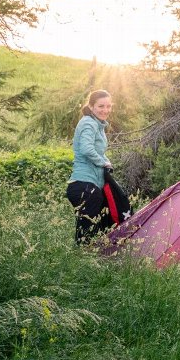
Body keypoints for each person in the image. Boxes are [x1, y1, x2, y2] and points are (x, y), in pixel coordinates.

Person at [67, 89, 114, 245]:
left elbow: (97, 150)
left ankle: (87, 260)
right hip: (85, 186)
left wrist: (106, 160)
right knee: (85, 236)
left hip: (89, 186)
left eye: (108, 106)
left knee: (93, 231)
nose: (105, 110)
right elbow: (86, 149)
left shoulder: (95, 124)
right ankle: (78, 262)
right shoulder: (89, 122)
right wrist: (103, 163)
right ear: (92, 106)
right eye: (101, 106)